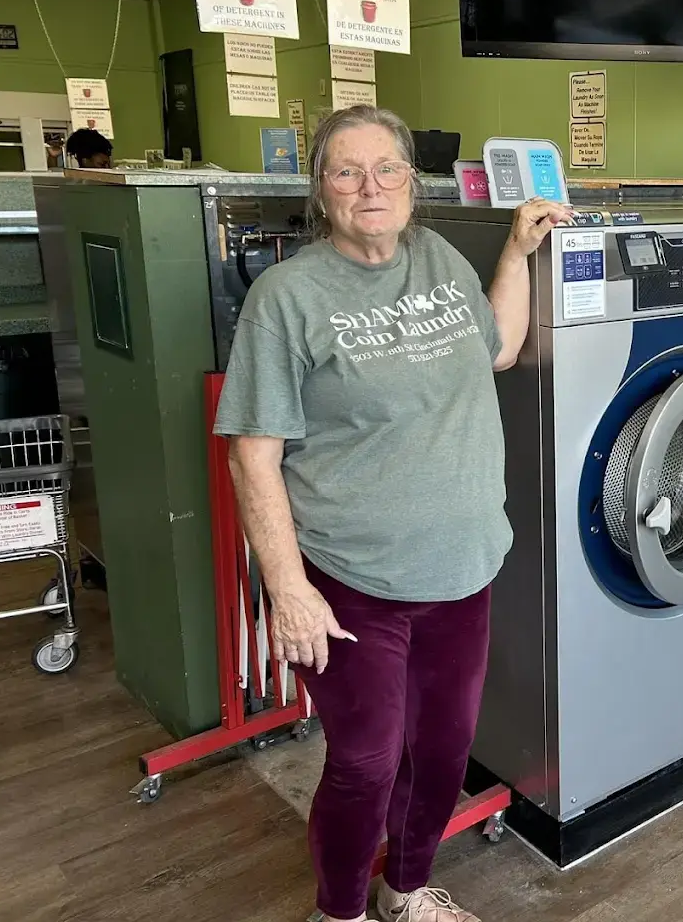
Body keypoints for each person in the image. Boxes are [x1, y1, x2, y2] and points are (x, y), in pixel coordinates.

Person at [214, 105, 572, 922]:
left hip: (462, 568)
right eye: (346, 171)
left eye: (388, 169)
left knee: (443, 755)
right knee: (365, 763)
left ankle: (405, 890)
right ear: (321, 191)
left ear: (414, 182)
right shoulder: (287, 296)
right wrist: (288, 588)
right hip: (349, 580)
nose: (369, 187)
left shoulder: (437, 258)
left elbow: (500, 348)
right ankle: (338, 913)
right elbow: (253, 454)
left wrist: (516, 253)